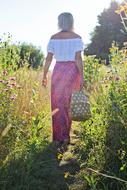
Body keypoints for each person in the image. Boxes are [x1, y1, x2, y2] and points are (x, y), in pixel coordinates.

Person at [42, 12, 84, 145]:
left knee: (56, 103)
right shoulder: (77, 38)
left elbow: (48, 59)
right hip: (72, 71)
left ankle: (56, 138)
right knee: (67, 104)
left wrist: (44, 75)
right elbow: (78, 59)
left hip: (58, 70)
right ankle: (65, 137)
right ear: (72, 22)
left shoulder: (53, 38)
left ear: (59, 22)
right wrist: (82, 76)